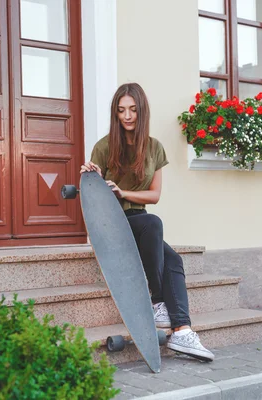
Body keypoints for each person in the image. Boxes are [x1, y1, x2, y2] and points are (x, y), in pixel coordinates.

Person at [80, 83, 214, 362]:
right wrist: (90, 174)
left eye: (132, 109)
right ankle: (157, 301)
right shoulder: (104, 147)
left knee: (174, 259)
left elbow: (154, 195)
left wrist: (123, 191)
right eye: (121, 110)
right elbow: (91, 193)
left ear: (142, 111)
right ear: (115, 114)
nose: (127, 116)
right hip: (111, 224)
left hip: (139, 221)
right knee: (153, 224)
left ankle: (182, 331)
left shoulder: (154, 148)